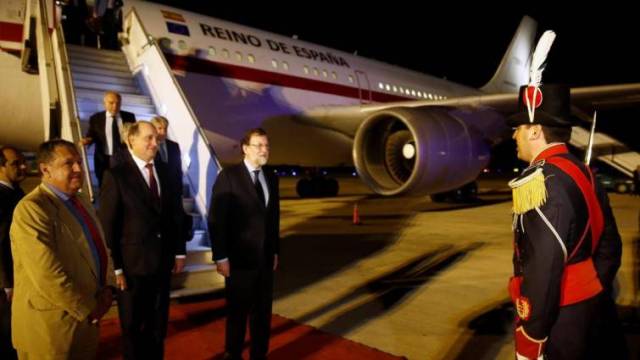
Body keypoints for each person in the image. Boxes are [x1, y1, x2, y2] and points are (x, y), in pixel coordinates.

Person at [506, 84, 625, 359]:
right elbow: (610, 246)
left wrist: (532, 336)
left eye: (519, 127)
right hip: (593, 306)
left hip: (561, 319)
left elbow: (543, 268)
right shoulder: (584, 171)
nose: (514, 135)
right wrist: (592, 289)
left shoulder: (540, 181)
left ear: (536, 131)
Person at [9, 139, 114, 359]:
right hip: (53, 326)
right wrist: (89, 309)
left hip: (87, 319)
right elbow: (47, 273)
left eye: (79, 162)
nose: (78, 168)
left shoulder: (81, 200)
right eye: (69, 163)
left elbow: (99, 245)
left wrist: (108, 286)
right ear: (45, 169)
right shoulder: (32, 209)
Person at [99, 121, 186, 359]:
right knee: (133, 330)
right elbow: (109, 226)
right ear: (131, 141)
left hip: (163, 263)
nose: (154, 143)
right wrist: (115, 268)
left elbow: (175, 213)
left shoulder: (166, 171)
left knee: (158, 328)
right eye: (148, 138)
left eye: (156, 139)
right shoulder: (116, 176)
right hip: (131, 268)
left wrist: (179, 251)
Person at [208, 128, 280, 360]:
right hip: (239, 261)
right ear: (245, 148)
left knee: (262, 314)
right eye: (259, 145)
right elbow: (217, 220)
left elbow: (274, 218)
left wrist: (275, 250)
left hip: (265, 259)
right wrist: (221, 257)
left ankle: (260, 354)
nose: (264, 150)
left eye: (267, 146)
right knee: (238, 314)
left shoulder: (271, 177)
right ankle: (233, 354)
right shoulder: (229, 177)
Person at [0, 146, 27, 359]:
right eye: (15, 163)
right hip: (8, 285)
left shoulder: (18, 192)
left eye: (22, 161)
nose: (23, 166)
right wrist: (7, 283)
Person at [151, 116, 192, 243]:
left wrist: (179, 192)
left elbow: (178, 170)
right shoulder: (149, 147)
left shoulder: (174, 146)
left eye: (165, 128)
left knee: (176, 224)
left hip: (173, 192)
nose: (163, 132)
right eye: (159, 128)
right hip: (157, 192)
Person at [82, 91, 136, 185]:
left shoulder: (129, 117)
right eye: (111, 103)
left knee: (125, 184)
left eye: (118, 103)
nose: (115, 106)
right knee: (105, 185)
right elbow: (92, 134)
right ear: (104, 103)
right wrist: (87, 140)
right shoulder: (96, 118)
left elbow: (135, 135)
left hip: (124, 158)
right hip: (104, 159)